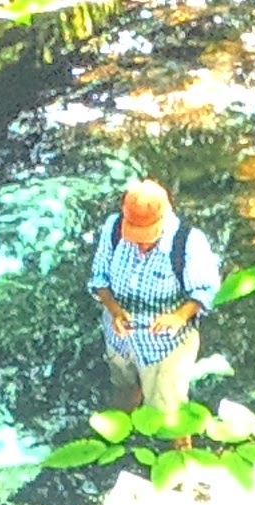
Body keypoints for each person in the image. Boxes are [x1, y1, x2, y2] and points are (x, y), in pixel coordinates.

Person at [86, 177, 222, 418]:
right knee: (123, 392)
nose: (140, 245)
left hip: (165, 348)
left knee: (170, 415)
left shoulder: (188, 243)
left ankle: (175, 440)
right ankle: (126, 427)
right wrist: (114, 310)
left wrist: (179, 316)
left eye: (146, 237)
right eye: (134, 236)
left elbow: (206, 292)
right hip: (120, 340)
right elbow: (99, 279)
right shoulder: (113, 228)